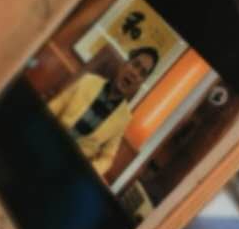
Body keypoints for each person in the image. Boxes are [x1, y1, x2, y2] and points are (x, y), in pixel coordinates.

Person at [46, 45, 161, 179]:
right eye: (135, 65)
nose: (135, 74)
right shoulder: (88, 81)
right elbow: (53, 108)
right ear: (125, 64)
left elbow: (107, 158)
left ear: (141, 83)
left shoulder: (124, 118)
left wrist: (83, 173)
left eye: (142, 73)